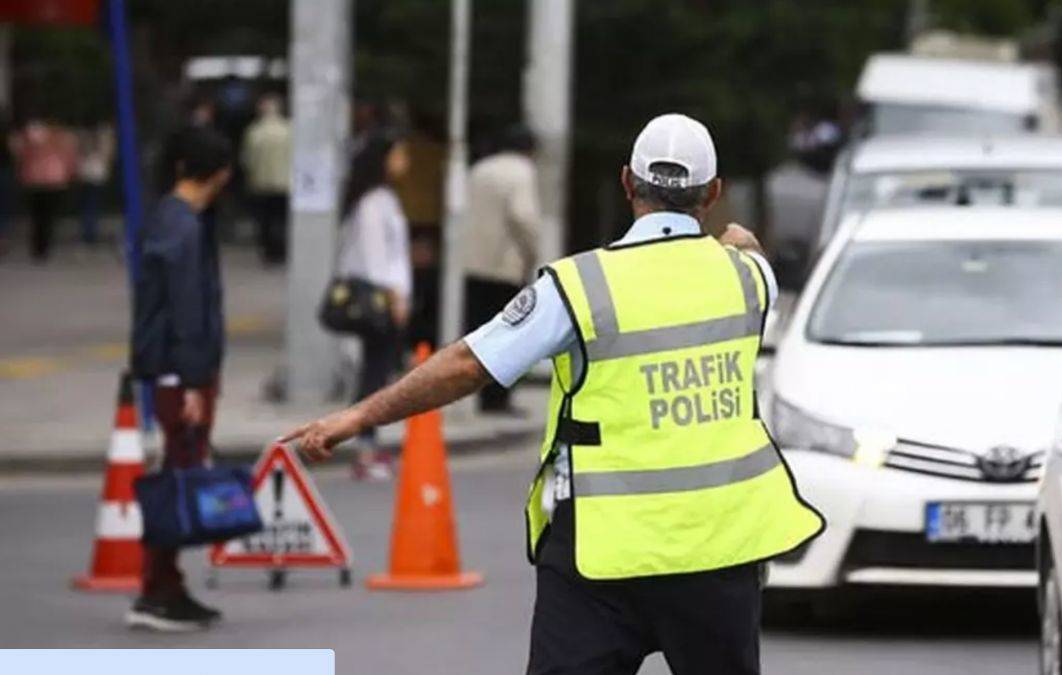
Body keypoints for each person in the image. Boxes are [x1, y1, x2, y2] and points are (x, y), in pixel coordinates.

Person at [282, 114, 826, 674]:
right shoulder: (749, 279)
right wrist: (735, 240)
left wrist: (358, 415)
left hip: (600, 556)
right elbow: (749, 247)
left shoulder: (578, 287)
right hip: (719, 551)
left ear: (625, 182)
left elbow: (470, 364)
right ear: (714, 193)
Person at [128, 127, 233, 632]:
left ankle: (164, 585)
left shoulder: (167, 218)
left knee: (177, 474)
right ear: (221, 173)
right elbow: (187, 311)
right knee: (178, 478)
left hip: (170, 371)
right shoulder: (186, 228)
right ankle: (158, 591)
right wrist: (193, 382)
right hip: (181, 375)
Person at [337, 129, 413, 480]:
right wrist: (394, 296)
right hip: (379, 300)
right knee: (374, 373)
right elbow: (374, 257)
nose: (404, 161)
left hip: (386, 297)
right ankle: (364, 447)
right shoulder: (373, 202)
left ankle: (369, 443)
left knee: (378, 371)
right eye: (399, 154)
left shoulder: (383, 197)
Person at [462, 123, 541, 413]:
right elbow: (523, 216)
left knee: (479, 332)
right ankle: (498, 399)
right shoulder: (522, 172)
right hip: (505, 265)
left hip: (473, 262)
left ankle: (480, 395)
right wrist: (531, 253)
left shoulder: (479, 170)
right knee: (509, 335)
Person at [10, 114, 77, 261]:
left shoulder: (29, 136)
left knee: (37, 216)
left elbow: (19, 154)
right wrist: (70, 173)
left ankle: (38, 247)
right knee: (47, 217)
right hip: (53, 181)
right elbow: (69, 157)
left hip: (34, 180)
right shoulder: (62, 137)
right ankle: (43, 247)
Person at [241, 94, 291, 265]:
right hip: (285, 183)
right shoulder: (289, 130)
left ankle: (269, 251)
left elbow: (247, 159)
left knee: (265, 219)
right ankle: (281, 250)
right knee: (281, 218)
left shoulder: (254, 132)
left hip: (261, 183)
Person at [76, 121, 115, 248]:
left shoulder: (82, 137)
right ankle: (90, 232)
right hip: (97, 173)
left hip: (85, 172)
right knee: (93, 204)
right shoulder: (104, 136)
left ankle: (88, 231)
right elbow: (108, 155)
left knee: (88, 203)